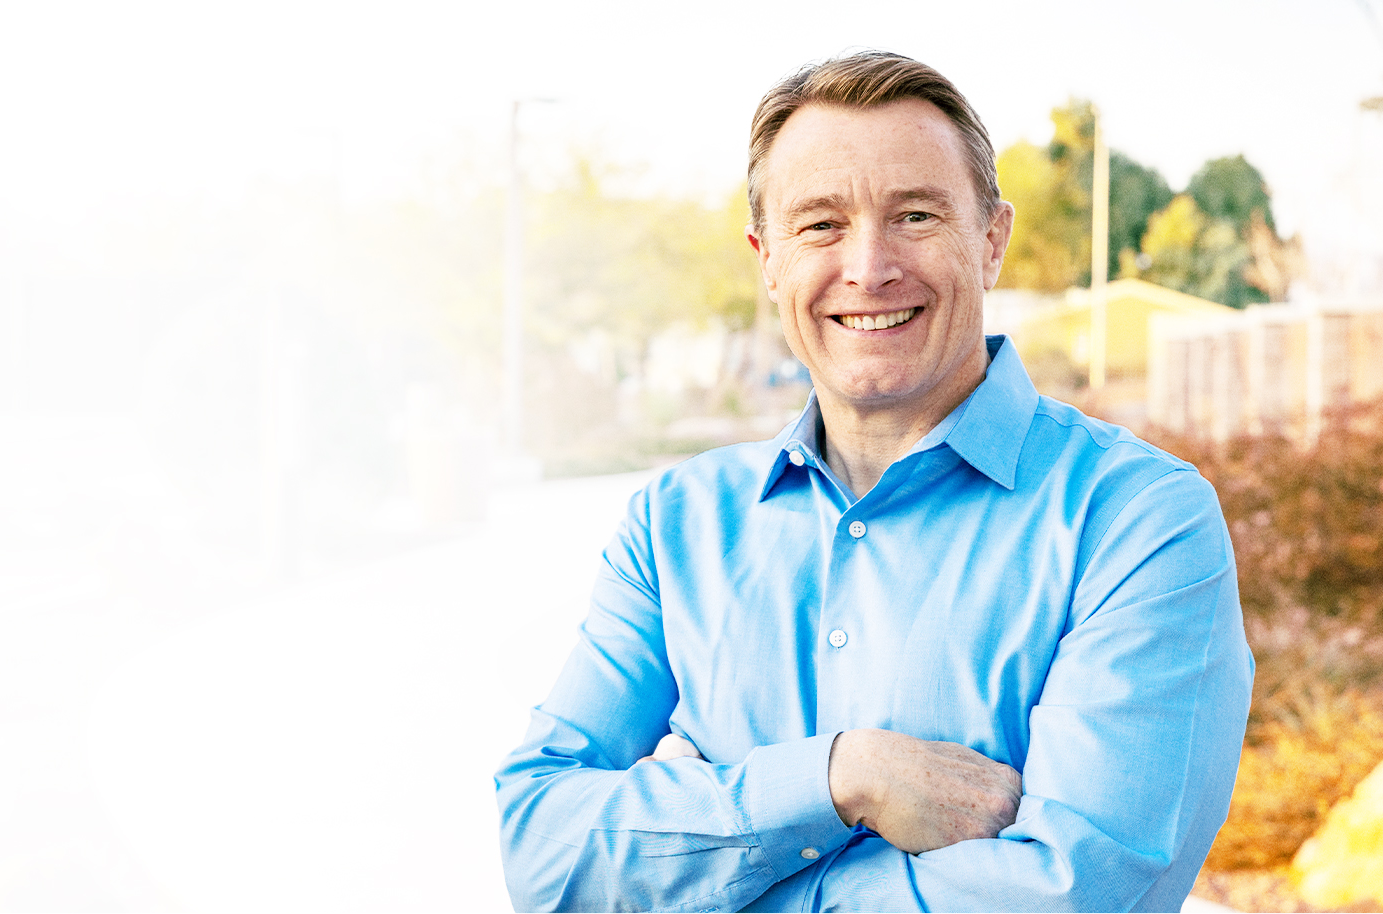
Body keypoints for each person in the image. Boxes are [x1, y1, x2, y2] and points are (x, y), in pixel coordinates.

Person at [493, 50, 1253, 912]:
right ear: (767, 261)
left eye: (917, 215)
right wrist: (840, 777)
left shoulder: (1137, 522)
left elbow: (1076, 891)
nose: (869, 266)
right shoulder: (676, 527)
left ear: (992, 240)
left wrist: (699, 849)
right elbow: (543, 850)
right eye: (820, 225)